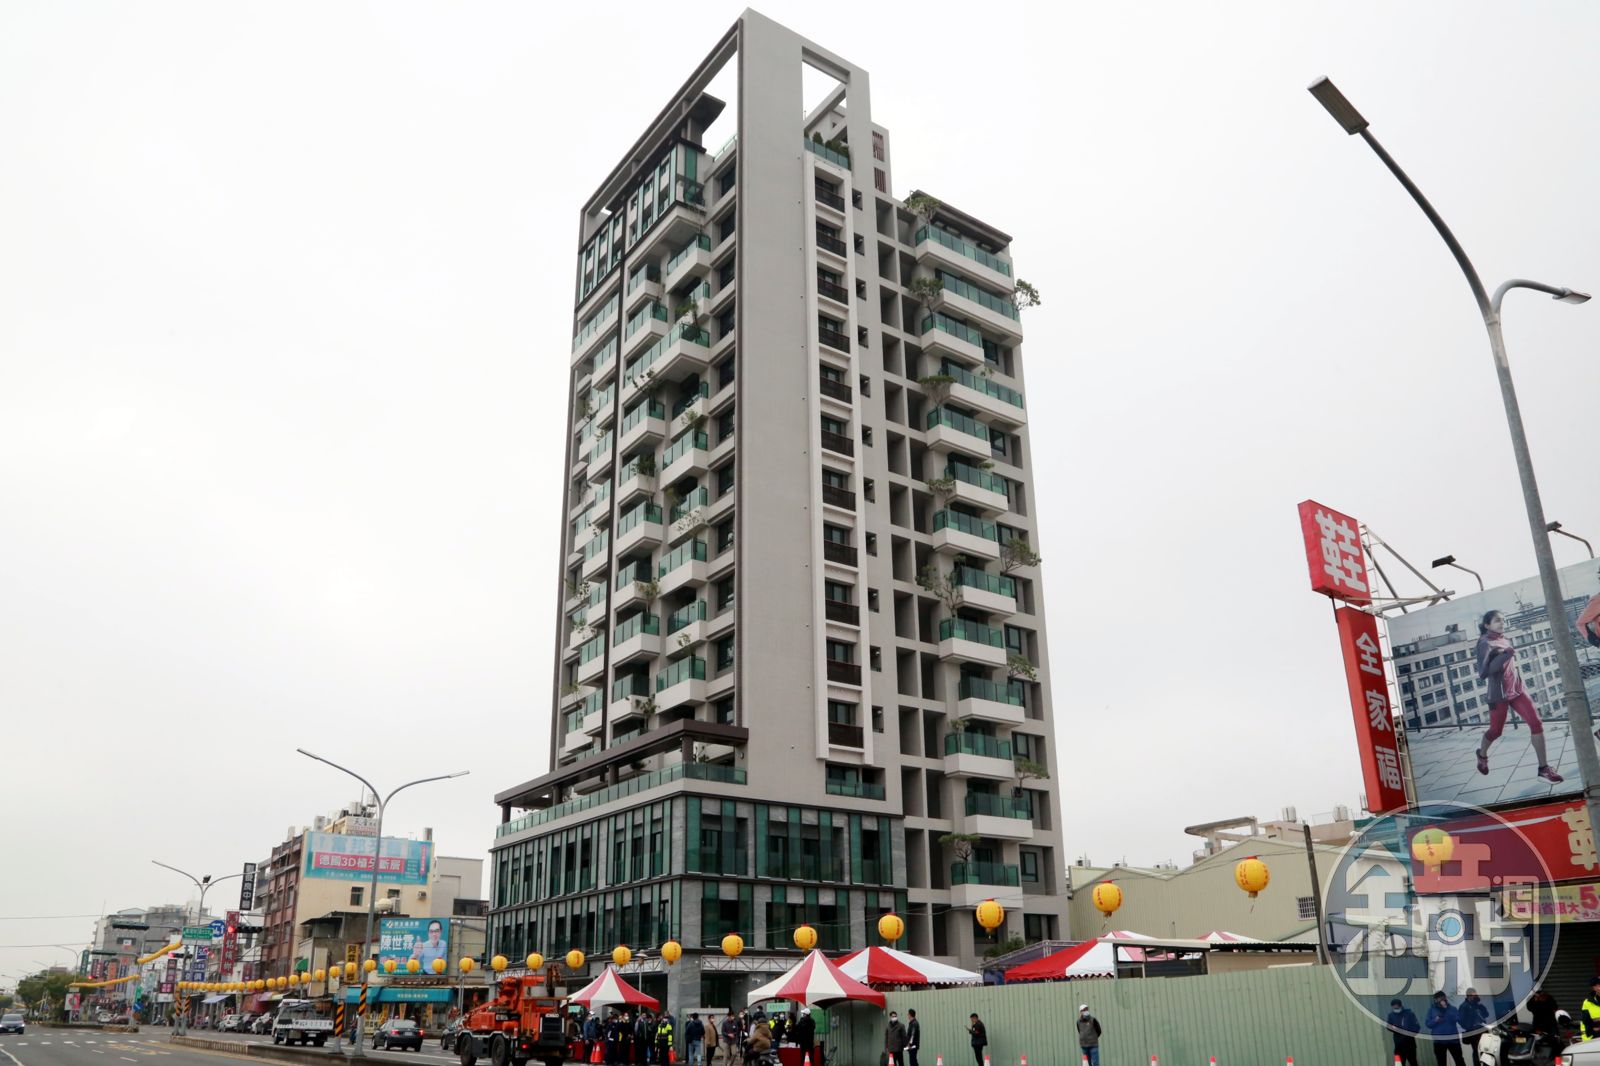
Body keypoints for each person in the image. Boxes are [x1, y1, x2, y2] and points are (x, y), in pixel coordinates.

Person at [1475, 610, 1563, 783]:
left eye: (1503, 620)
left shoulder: (1504, 639)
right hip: (1498, 695)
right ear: (1487, 625)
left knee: (1536, 724)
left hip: (1517, 690)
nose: (1502, 623)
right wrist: (1505, 655)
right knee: (1496, 731)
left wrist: (1507, 655)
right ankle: (1482, 755)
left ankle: (1543, 769)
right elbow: (1484, 672)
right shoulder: (1484, 643)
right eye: (1497, 620)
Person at [1425, 991, 1464, 1066]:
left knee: (1459, 1060)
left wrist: (1447, 1009)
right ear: (1435, 1000)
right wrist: (1435, 1020)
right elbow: (1428, 1024)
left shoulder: (1452, 1008)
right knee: (1441, 1062)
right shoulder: (1431, 1010)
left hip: (1453, 1040)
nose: (1442, 1000)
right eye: (1439, 998)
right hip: (1439, 1042)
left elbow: (1458, 1019)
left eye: (1443, 997)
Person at [1459, 989, 1489, 1063]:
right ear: (1469, 996)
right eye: (1474, 995)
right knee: (1476, 1051)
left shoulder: (1477, 1005)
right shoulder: (1464, 1006)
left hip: (1483, 1030)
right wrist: (1470, 1026)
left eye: (1476, 995)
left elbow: (1486, 1014)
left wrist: (1481, 1005)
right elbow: (1461, 1021)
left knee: (1485, 1050)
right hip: (1473, 1033)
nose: (1475, 996)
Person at [1388, 999, 1421, 1066]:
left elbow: (1417, 1027)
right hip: (1398, 1045)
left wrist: (1409, 1033)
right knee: (1399, 1064)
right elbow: (1388, 1026)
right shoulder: (1391, 1015)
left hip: (1410, 1044)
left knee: (1413, 1062)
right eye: (1394, 1008)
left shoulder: (1409, 1014)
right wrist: (1393, 1028)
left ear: (1400, 1006)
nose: (1395, 1009)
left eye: (1397, 1007)